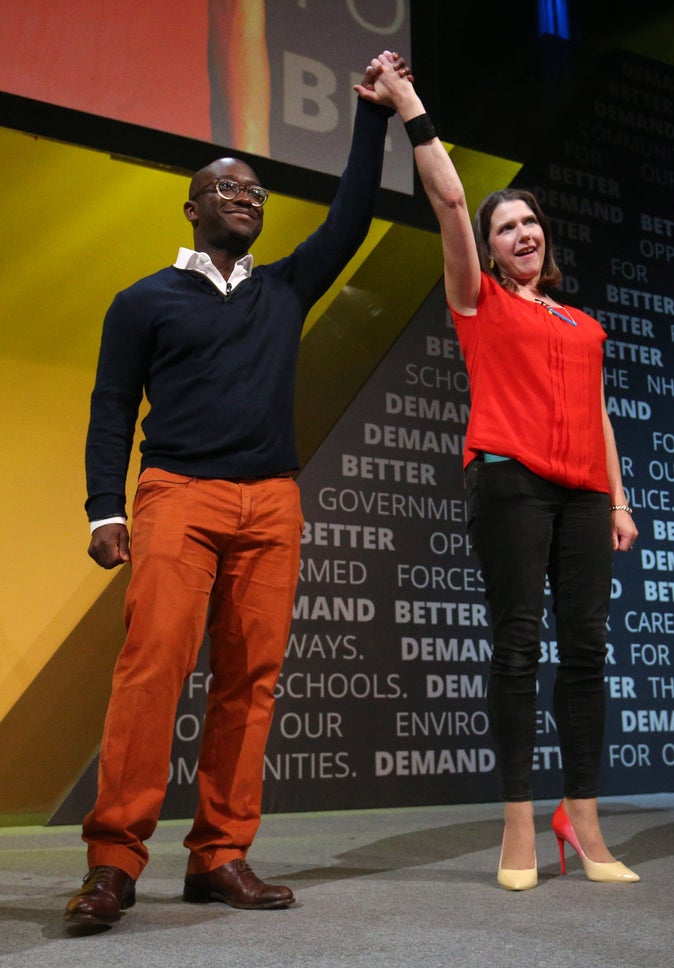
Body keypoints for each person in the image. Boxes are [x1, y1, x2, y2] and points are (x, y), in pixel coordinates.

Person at [65, 49, 411, 930]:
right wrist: (107, 506)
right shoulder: (143, 301)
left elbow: (354, 212)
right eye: (229, 188)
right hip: (178, 494)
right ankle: (113, 862)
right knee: (152, 671)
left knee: (250, 682)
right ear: (192, 205)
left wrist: (371, 116)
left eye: (256, 192)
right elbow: (111, 411)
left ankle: (219, 854)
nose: (247, 199)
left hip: (271, 504)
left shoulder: (286, 290)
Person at [358, 53, 640, 891]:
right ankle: (519, 820)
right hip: (511, 480)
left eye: (530, 223)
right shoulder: (479, 299)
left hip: (588, 492)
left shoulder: (581, 322)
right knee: (518, 647)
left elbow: (598, 414)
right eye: (505, 226)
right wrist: (409, 100)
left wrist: (619, 500)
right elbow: (448, 194)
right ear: (486, 247)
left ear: (545, 236)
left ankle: (581, 817)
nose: (522, 233)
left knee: (585, 652)